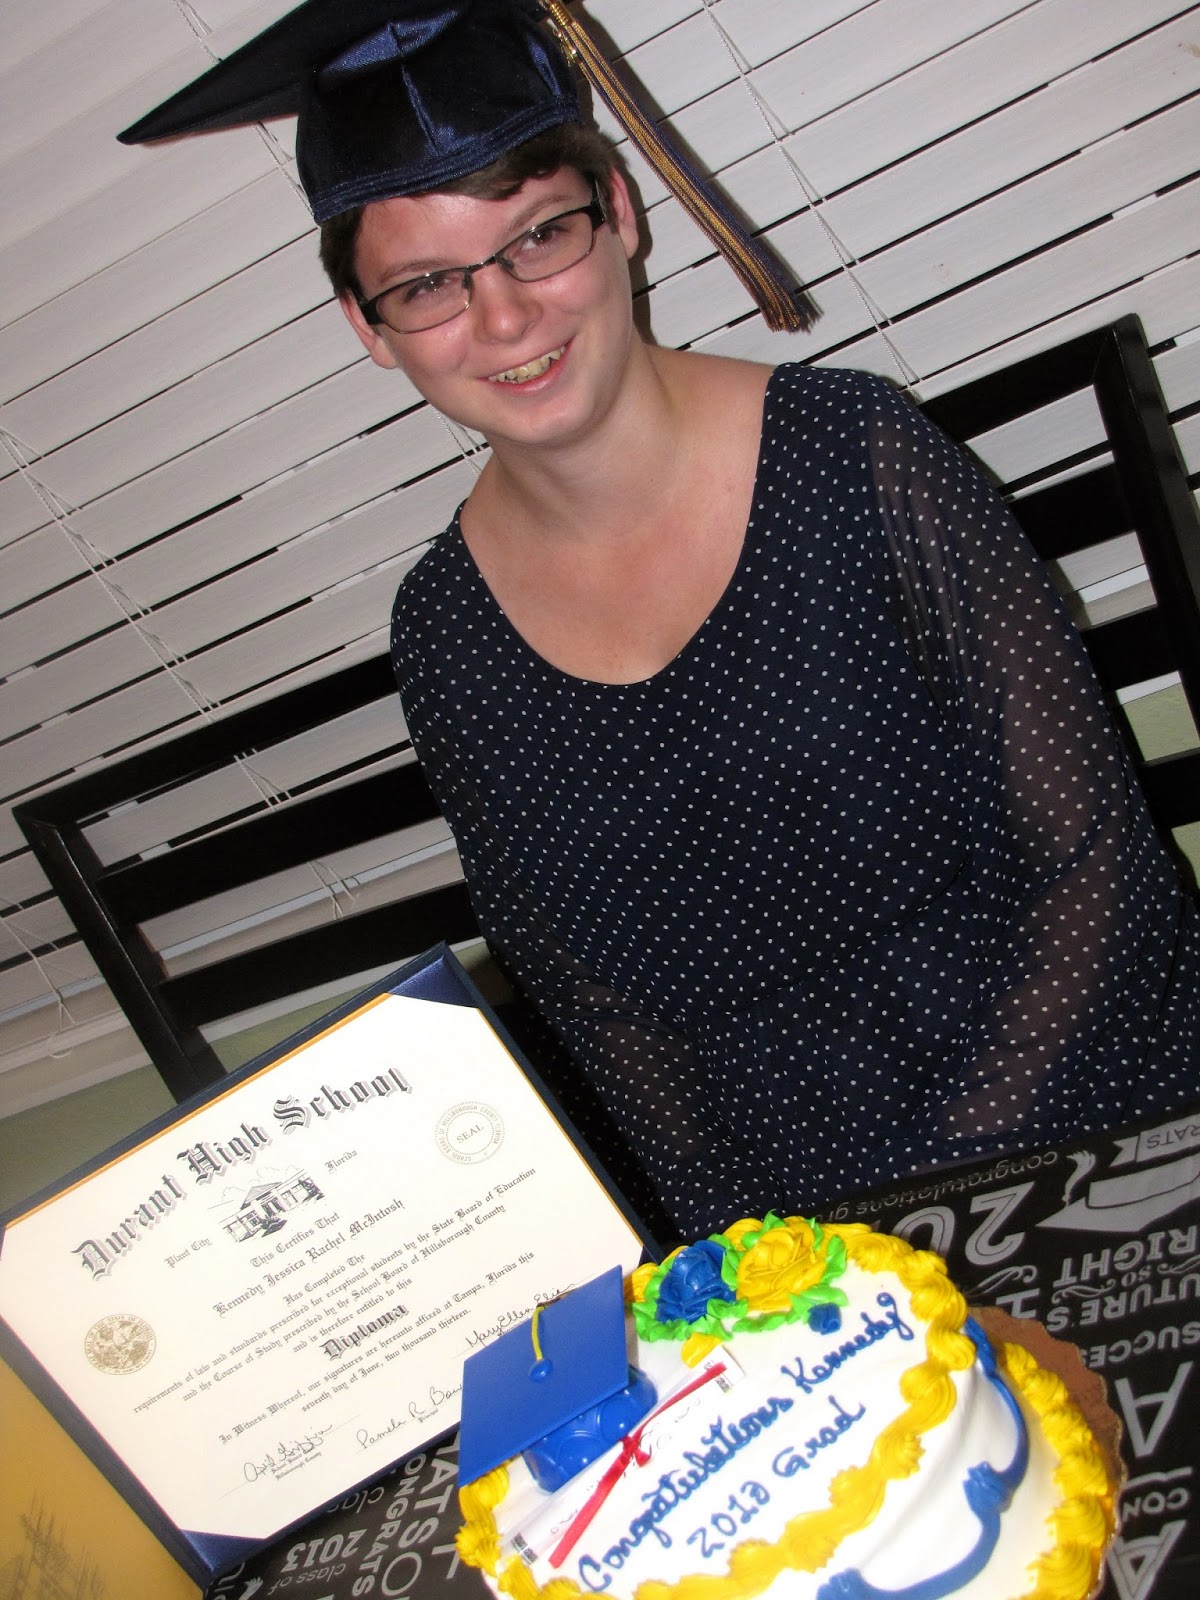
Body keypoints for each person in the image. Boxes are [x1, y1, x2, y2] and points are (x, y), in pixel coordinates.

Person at [123, 1, 1199, 1241]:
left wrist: (937, 1203)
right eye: (426, 285)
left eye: (539, 236)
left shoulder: (857, 454)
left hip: (1074, 1092)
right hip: (777, 1220)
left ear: (621, 215)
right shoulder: (446, 633)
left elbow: (1094, 861)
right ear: (369, 328)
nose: (506, 317)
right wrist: (754, 1241)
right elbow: (593, 1003)